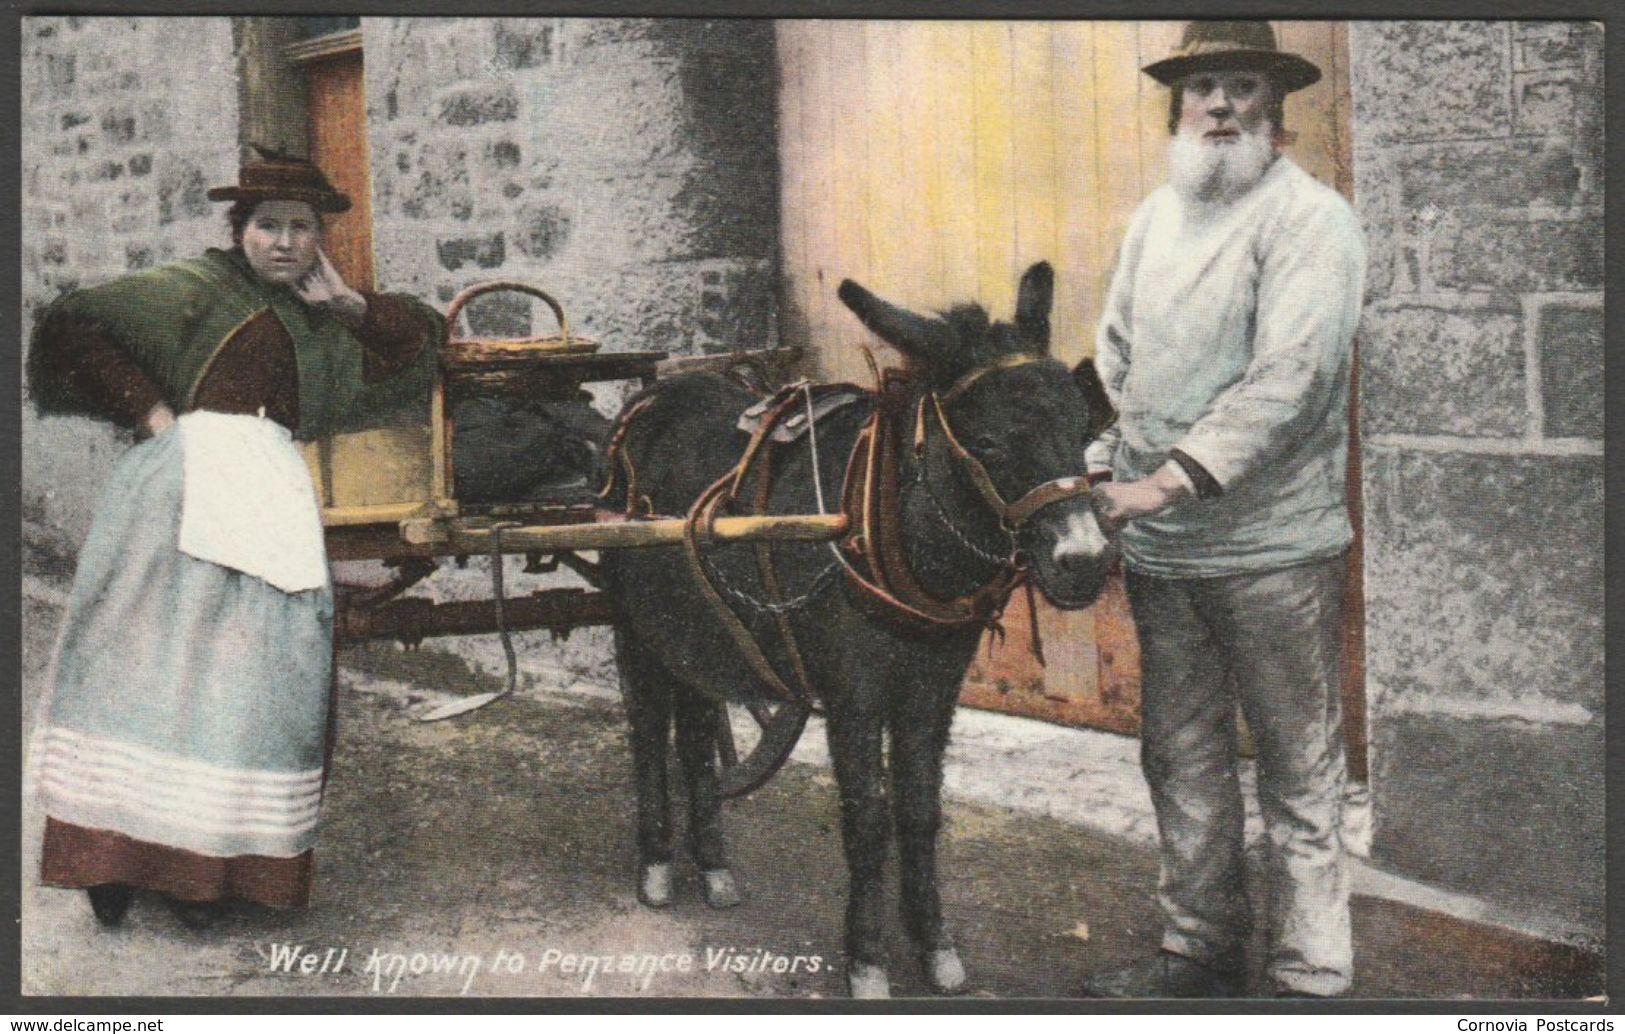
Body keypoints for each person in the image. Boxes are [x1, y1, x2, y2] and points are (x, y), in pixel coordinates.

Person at [27, 151, 445, 930]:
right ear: (239, 231)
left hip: (272, 497)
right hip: (178, 496)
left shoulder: (324, 312)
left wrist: (352, 305)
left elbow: (420, 339)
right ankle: (110, 867)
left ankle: (207, 874)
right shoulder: (199, 289)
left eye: (301, 228)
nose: (284, 243)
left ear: (320, 237)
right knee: (143, 670)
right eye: (267, 227)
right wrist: (155, 415)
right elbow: (76, 323)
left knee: (252, 680)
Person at [1080, 22, 1367, 998]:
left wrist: (1162, 479)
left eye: (1238, 86)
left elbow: (1288, 379)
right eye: (1199, 87)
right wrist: (1099, 462)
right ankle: (1196, 950)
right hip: (1165, 554)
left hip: (1271, 549)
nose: (1215, 106)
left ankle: (1309, 975)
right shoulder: (1153, 221)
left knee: (1297, 768)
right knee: (1182, 758)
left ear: (1271, 108)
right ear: (1175, 105)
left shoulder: (1311, 220)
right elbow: (1118, 364)